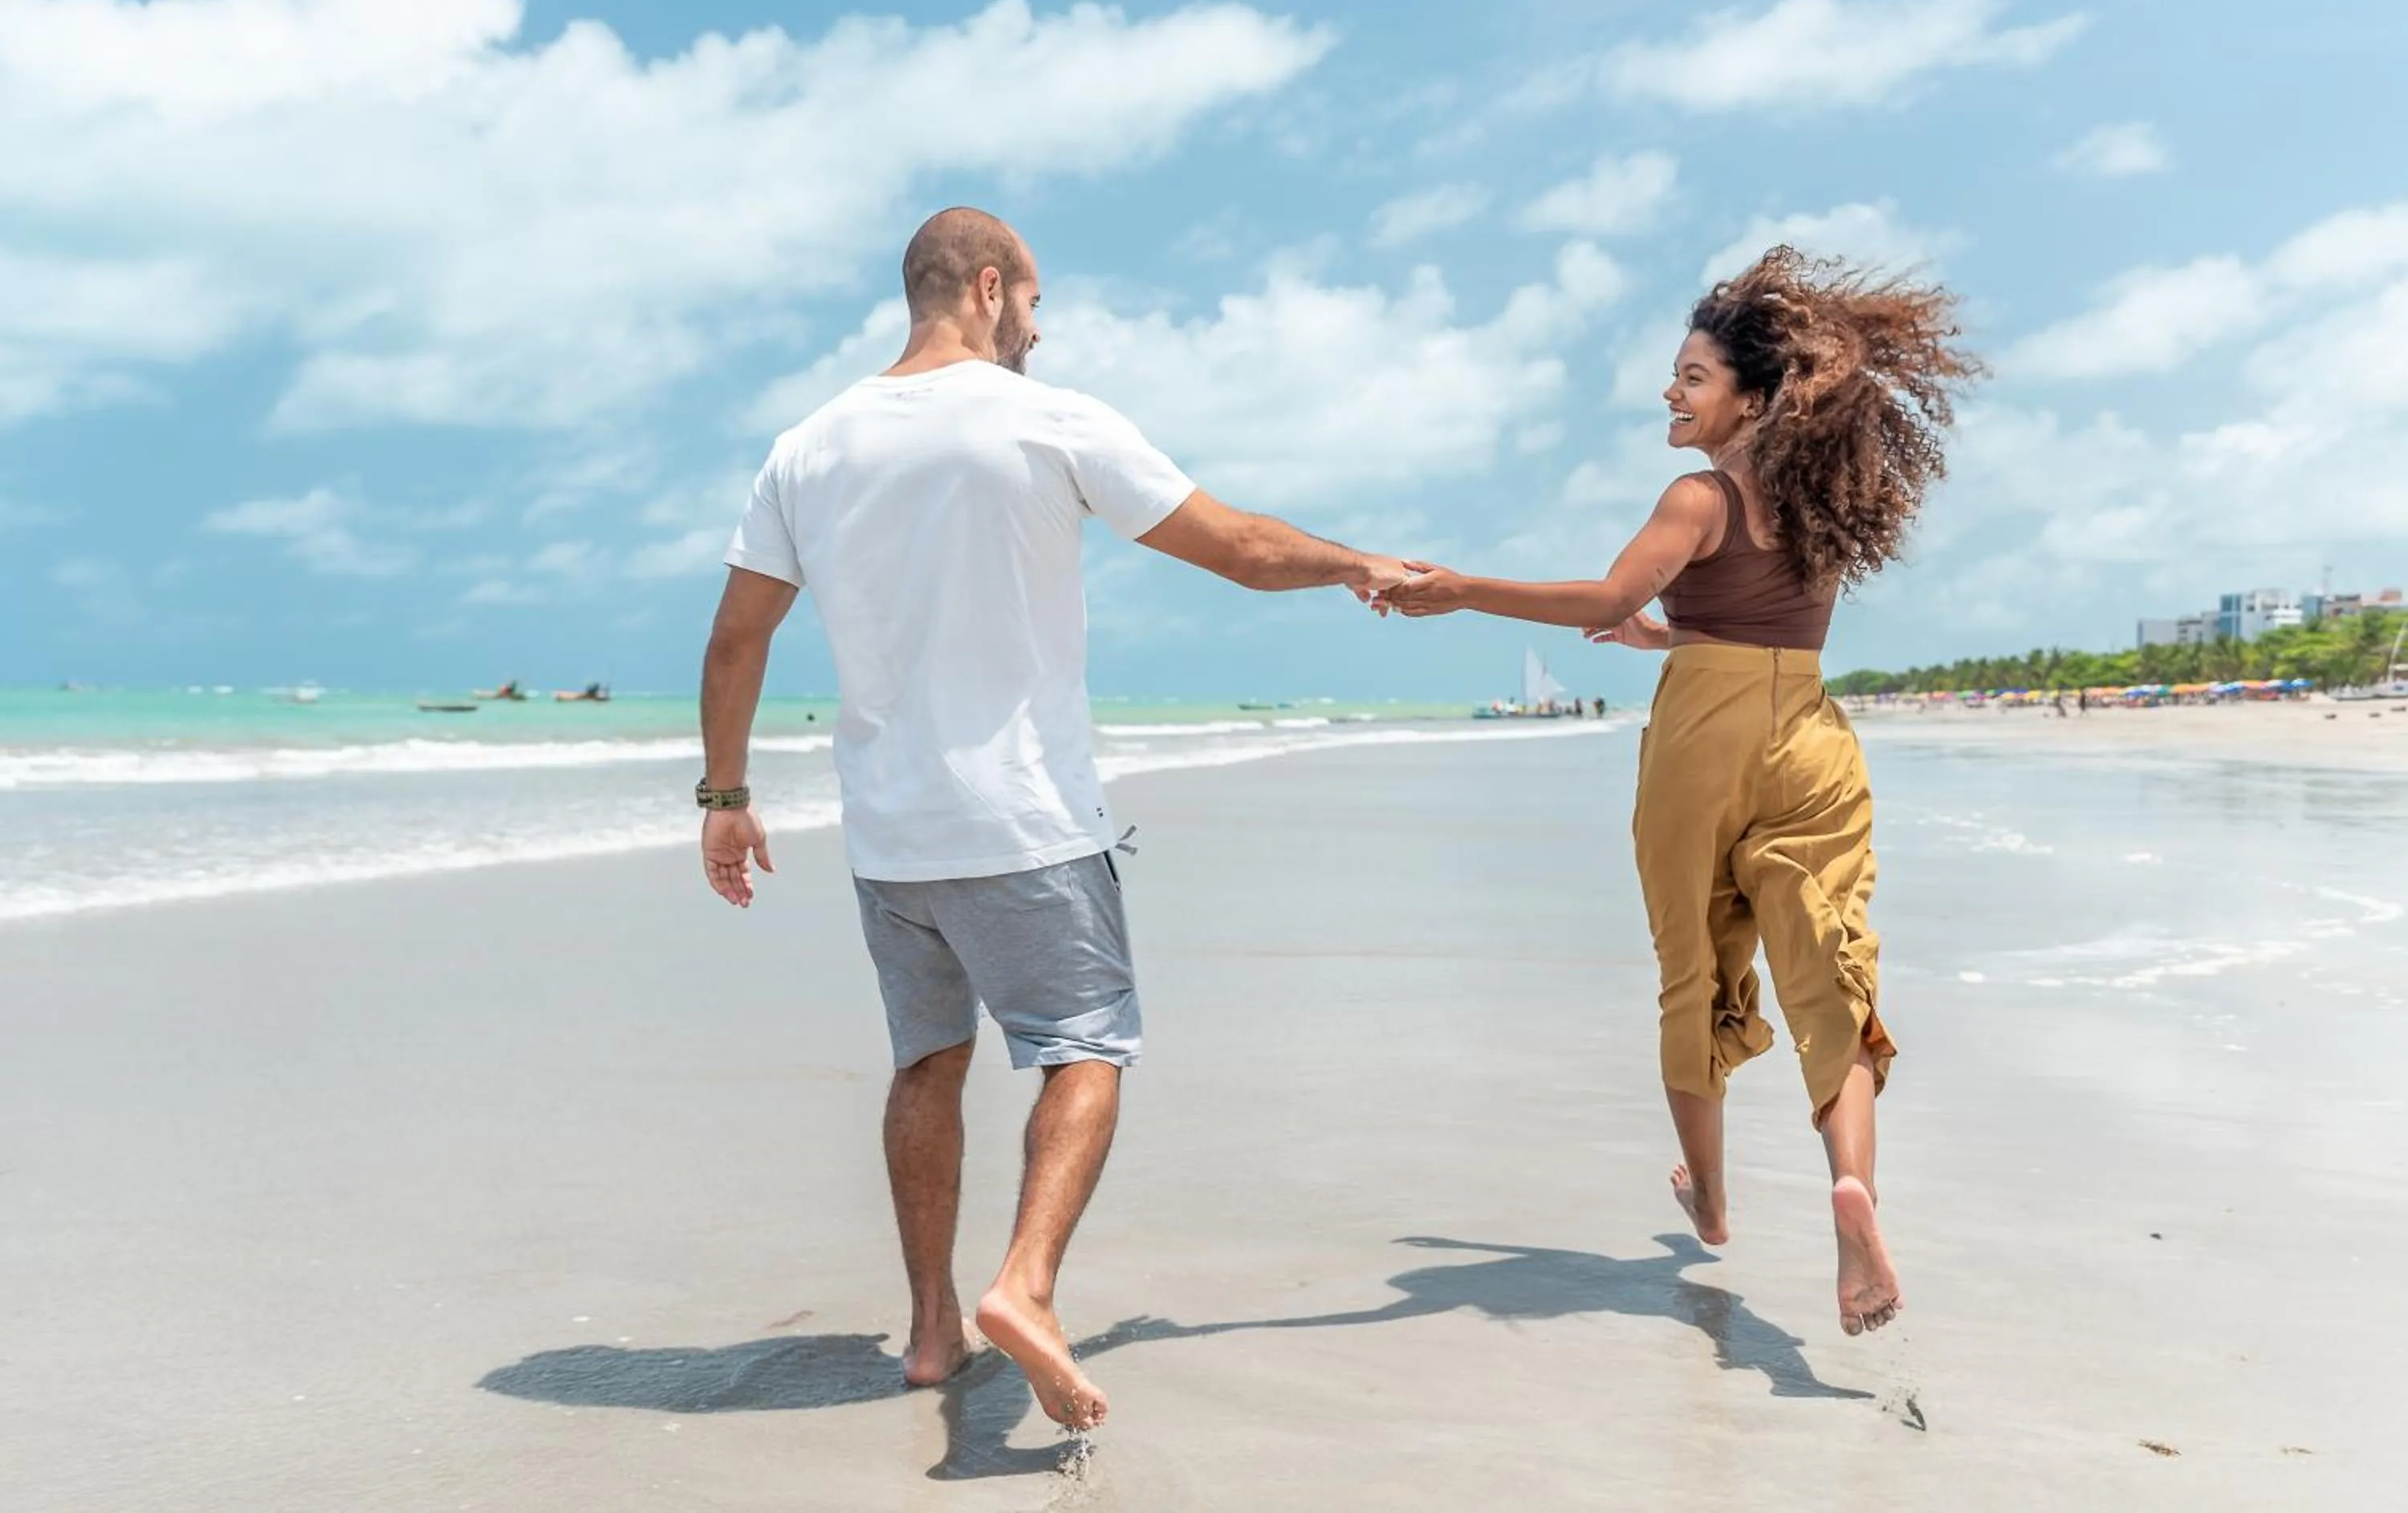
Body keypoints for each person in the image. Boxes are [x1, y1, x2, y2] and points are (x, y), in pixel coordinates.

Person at [696, 208, 1408, 1430]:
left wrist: (725, 798)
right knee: (1086, 1046)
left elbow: (736, 637)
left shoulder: (804, 449)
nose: (1038, 326)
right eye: (1033, 303)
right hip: (1026, 822)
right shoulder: (1048, 417)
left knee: (928, 1061)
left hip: (890, 839)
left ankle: (930, 1332)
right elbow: (1237, 548)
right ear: (988, 287)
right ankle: (1021, 1286)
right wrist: (1361, 562)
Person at [1382, 246, 1979, 1335]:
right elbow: (1759, 628)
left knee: (1692, 974)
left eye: (1693, 376)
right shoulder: (1819, 505)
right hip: (1806, 732)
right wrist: (1672, 633)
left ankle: (1709, 1193)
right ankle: (1853, 1190)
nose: (1672, 389)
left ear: (1753, 398)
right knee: (1830, 966)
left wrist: (1459, 589)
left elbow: (1609, 590)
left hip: (1701, 740)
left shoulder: (1700, 494)